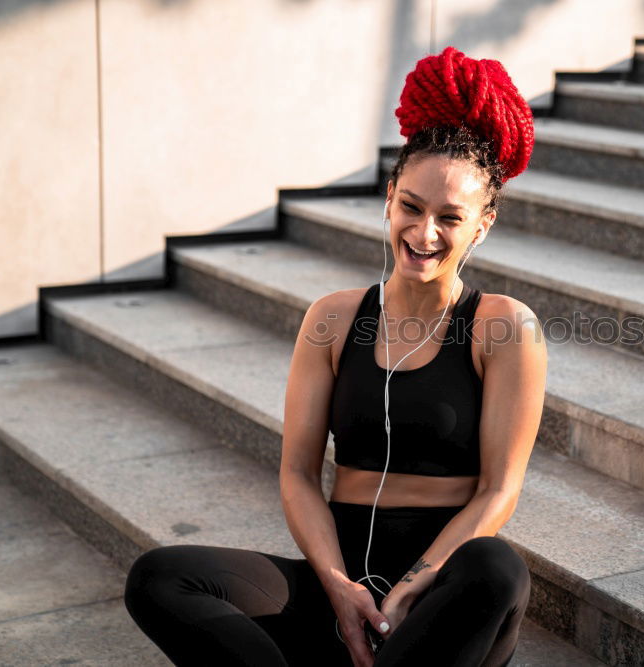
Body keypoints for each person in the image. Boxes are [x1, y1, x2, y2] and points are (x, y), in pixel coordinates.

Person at [123, 45, 547, 667]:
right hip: (339, 577)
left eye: (450, 218)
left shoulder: (504, 326)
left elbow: (498, 492)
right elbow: (298, 473)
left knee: (498, 567)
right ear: (388, 198)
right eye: (411, 206)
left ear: (481, 226)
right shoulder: (332, 318)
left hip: (440, 599)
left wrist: (410, 587)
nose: (424, 234)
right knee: (160, 577)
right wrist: (338, 586)